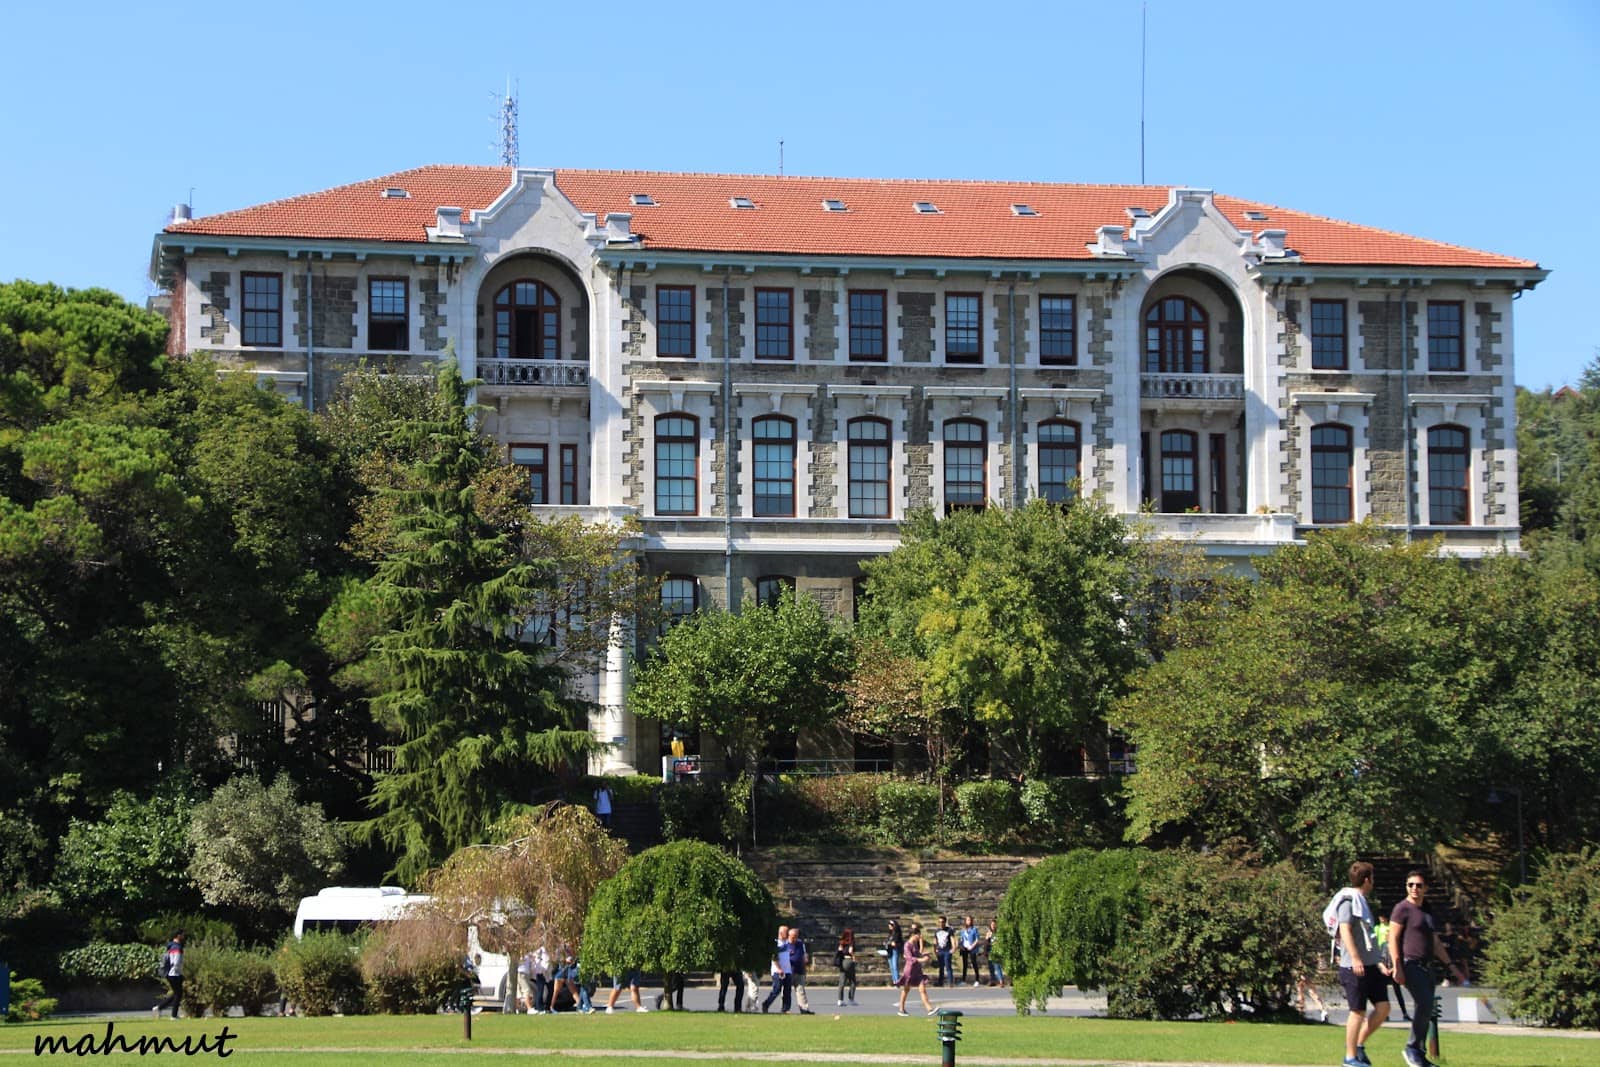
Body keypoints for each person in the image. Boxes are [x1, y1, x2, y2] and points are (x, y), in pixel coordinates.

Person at [1390, 869, 1467, 1067]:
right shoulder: (1402, 909)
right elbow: (1393, 938)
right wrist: (1397, 966)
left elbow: (1435, 941)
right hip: (1410, 964)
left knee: (1427, 1007)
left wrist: (1451, 966)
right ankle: (1412, 1048)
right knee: (1424, 1003)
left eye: (1418, 885)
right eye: (1410, 885)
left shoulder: (1427, 909)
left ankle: (1419, 1052)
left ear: (1426, 888)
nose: (1414, 888)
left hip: (1427, 966)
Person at [1332, 861, 1390, 1067]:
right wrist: (1355, 958)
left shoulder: (1362, 901)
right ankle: (1350, 1058)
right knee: (1357, 1011)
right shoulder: (1348, 901)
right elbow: (1345, 930)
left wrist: (1378, 961)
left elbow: (1368, 936)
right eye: (1372, 878)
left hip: (1371, 965)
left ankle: (1358, 1045)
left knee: (1383, 1007)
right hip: (1353, 966)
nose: (1373, 881)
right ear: (1367, 880)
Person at [1374, 914, 1412, 1022]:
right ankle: (1385, 1014)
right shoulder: (1383, 946)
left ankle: (1404, 1013)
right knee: (1384, 994)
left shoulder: (1397, 947)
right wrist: (1383, 968)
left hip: (1393, 970)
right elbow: (1379, 959)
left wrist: (1394, 969)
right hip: (1385, 971)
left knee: (1398, 992)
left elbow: (1399, 959)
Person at [894, 921, 936, 1017]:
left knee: (922, 989)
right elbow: (910, 958)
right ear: (913, 935)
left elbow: (917, 955)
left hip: (917, 970)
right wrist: (922, 959)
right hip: (910, 970)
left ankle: (929, 1009)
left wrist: (924, 955)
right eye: (918, 935)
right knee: (906, 990)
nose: (919, 937)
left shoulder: (914, 945)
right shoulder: (907, 945)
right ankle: (901, 1009)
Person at [153, 931, 185, 1019]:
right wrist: (179, 972)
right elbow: (176, 962)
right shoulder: (177, 947)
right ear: (178, 935)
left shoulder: (170, 946)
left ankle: (159, 1008)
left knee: (177, 993)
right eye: (182, 935)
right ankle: (173, 1015)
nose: (183, 936)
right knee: (178, 994)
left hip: (170, 973)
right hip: (174, 973)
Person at [762, 924, 792, 1013]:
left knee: (787, 991)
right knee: (777, 989)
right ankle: (766, 1004)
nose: (788, 934)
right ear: (781, 933)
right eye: (786, 932)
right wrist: (779, 969)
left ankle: (785, 1009)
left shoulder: (788, 943)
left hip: (787, 970)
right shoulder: (776, 943)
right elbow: (774, 957)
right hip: (777, 971)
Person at [787, 927, 815, 1014]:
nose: (795, 938)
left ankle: (804, 1009)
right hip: (789, 971)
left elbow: (804, 954)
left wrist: (805, 961)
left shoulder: (800, 943)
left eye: (796, 936)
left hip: (800, 970)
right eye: (793, 937)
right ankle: (785, 1009)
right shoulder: (785, 944)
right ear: (789, 936)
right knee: (786, 991)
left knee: (801, 991)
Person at [835, 928, 858, 1006]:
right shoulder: (851, 942)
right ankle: (851, 999)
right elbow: (851, 951)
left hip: (843, 961)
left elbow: (839, 951)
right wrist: (854, 958)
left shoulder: (841, 942)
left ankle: (840, 1000)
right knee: (852, 981)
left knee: (842, 981)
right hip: (849, 960)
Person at [958, 916, 981, 985]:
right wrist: (961, 946)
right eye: (968, 920)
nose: (969, 921)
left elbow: (977, 939)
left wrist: (972, 946)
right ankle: (963, 980)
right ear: (965, 921)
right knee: (965, 964)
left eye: (970, 920)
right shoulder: (963, 930)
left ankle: (977, 980)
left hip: (972, 948)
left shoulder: (974, 929)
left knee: (974, 963)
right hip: (964, 948)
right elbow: (961, 939)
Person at [932, 916, 954, 987]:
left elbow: (952, 939)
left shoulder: (949, 930)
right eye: (939, 922)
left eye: (942, 922)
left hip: (947, 950)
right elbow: (935, 941)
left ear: (945, 922)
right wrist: (935, 950)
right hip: (940, 951)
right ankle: (940, 982)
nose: (941, 923)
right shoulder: (937, 931)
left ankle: (950, 982)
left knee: (948, 966)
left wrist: (953, 948)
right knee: (941, 967)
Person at [983, 918, 1005, 987]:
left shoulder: (998, 933)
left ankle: (1001, 981)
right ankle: (993, 981)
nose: (993, 926)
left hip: (996, 951)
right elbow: (986, 943)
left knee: (997, 966)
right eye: (992, 924)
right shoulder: (988, 933)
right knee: (991, 967)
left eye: (994, 924)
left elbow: (1001, 942)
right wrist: (987, 938)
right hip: (990, 951)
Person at [884, 919, 905, 987]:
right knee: (891, 967)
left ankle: (897, 981)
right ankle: (894, 981)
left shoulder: (897, 933)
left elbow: (899, 943)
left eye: (891, 924)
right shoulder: (890, 934)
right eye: (889, 924)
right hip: (889, 950)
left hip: (895, 950)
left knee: (895, 966)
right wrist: (885, 942)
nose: (889, 926)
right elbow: (888, 941)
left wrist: (894, 944)